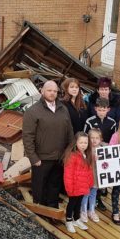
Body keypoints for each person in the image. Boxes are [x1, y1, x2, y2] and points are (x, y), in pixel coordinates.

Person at [23, 80, 74, 208]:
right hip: (41, 159)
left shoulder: (63, 109)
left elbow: (70, 133)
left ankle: (52, 210)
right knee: (40, 187)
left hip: (59, 158)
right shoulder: (33, 111)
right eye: (49, 90)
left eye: (55, 91)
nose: (52, 93)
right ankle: (40, 212)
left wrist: (68, 153)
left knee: (54, 186)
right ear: (42, 91)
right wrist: (33, 158)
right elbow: (27, 137)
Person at [63, 132, 93, 233]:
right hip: (74, 186)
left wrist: (90, 182)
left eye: (85, 142)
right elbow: (68, 174)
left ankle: (76, 219)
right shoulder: (72, 156)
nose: (83, 145)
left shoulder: (86, 155)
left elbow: (89, 171)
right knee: (72, 203)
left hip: (83, 185)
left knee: (79, 203)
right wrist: (69, 187)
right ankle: (68, 220)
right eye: (81, 142)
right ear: (76, 143)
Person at [80, 129, 104, 223]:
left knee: (93, 193)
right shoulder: (85, 149)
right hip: (87, 176)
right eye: (92, 138)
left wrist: (101, 158)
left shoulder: (102, 149)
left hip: (96, 177)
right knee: (85, 194)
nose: (94, 140)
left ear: (100, 139)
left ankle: (91, 210)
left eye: (97, 138)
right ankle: (83, 211)